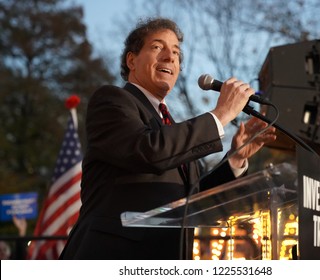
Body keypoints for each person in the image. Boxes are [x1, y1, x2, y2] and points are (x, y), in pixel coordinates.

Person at [59, 17, 276, 260]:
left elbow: (195, 199)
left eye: (175, 52)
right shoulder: (111, 101)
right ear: (132, 60)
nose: (169, 57)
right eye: (157, 47)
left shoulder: (171, 127)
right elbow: (149, 150)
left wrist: (236, 159)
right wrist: (221, 114)